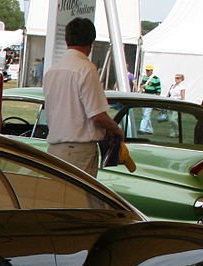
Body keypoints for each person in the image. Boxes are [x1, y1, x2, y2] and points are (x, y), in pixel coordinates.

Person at [42, 16, 123, 176]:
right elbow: (97, 115)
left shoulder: (52, 71)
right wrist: (115, 129)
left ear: (66, 40)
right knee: (79, 200)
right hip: (78, 151)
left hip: (54, 149)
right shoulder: (86, 69)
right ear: (91, 42)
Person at [139, 64, 162, 131]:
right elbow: (141, 85)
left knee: (146, 114)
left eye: (148, 70)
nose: (147, 72)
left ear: (152, 71)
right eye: (146, 70)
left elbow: (158, 90)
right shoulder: (144, 77)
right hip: (144, 96)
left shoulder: (156, 79)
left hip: (151, 97)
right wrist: (142, 87)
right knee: (144, 114)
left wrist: (157, 99)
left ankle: (142, 129)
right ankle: (149, 129)